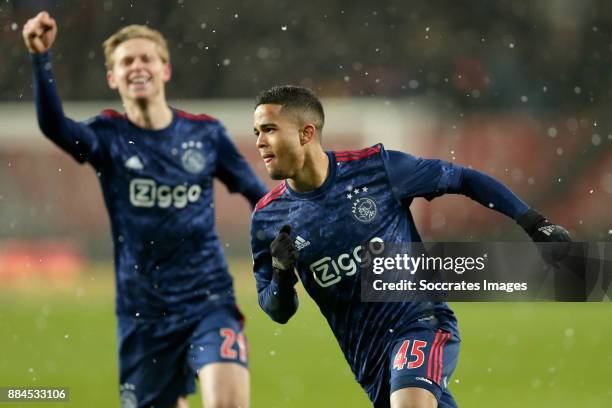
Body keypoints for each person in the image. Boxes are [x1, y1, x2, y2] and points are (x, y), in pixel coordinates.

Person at [250, 85, 571, 408]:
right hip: (369, 360)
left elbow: (462, 178)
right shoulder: (269, 218)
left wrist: (533, 222)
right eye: (256, 132)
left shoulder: (376, 169)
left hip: (420, 324)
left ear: (306, 133)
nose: (260, 142)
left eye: (269, 130)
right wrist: (280, 274)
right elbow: (278, 311)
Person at [23, 11, 266, 408]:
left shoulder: (205, 134)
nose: (137, 66)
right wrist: (40, 58)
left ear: (165, 70)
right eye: (126, 62)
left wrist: (287, 230)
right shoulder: (107, 136)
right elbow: (55, 127)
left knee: (228, 403)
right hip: (142, 312)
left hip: (207, 300)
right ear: (112, 78)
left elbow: (257, 193)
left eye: (146, 58)